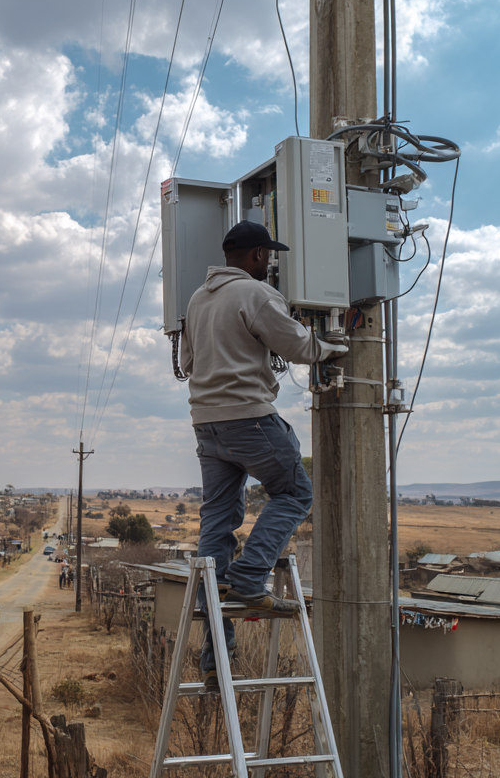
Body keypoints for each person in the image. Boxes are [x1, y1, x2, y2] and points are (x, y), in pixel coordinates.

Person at [178, 220, 348, 691]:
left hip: (206, 423)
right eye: (268, 255)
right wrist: (332, 349)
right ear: (255, 256)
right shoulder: (255, 294)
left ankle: (217, 657)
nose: (271, 262)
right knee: (294, 492)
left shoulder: (196, 299)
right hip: (248, 418)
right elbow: (295, 345)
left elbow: (188, 362)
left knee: (218, 523)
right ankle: (251, 580)